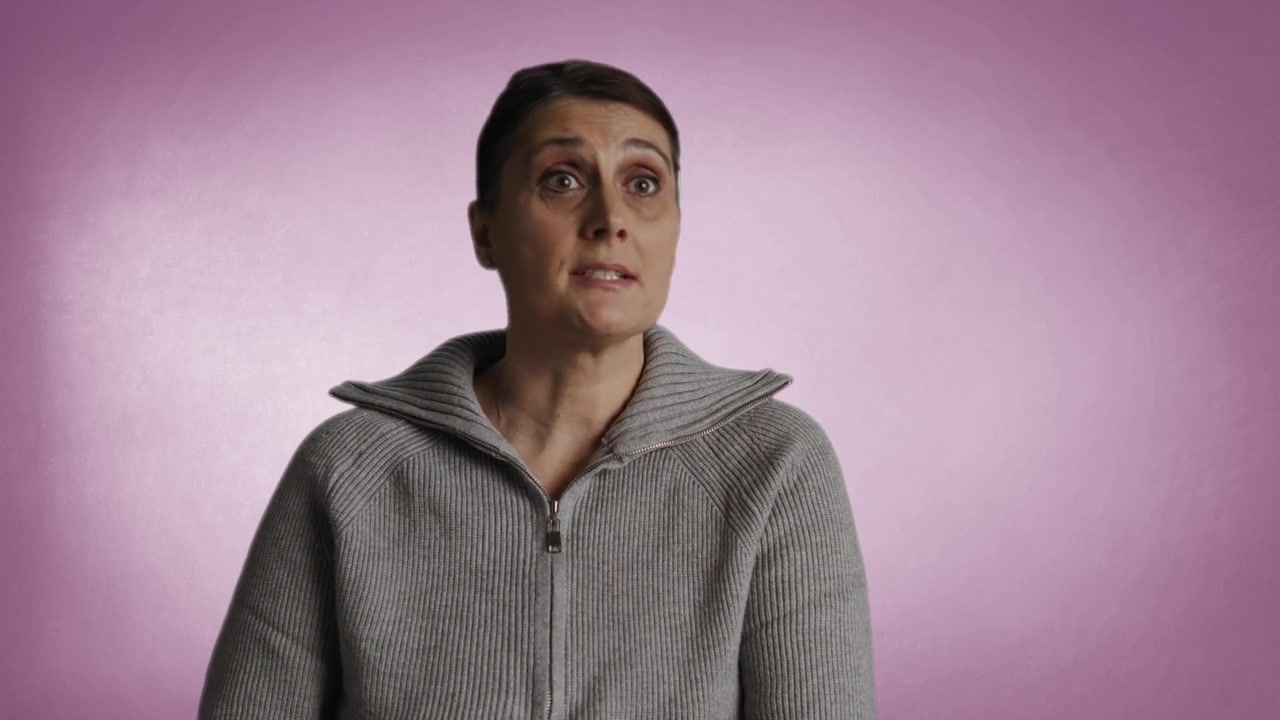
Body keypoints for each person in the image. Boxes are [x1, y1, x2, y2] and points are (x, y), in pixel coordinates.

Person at [199, 58, 876, 719]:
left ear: (675, 226)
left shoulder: (775, 463)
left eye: (643, 183)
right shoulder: (349, 470)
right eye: (562, 179)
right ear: (485, 232)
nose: (611, 218)